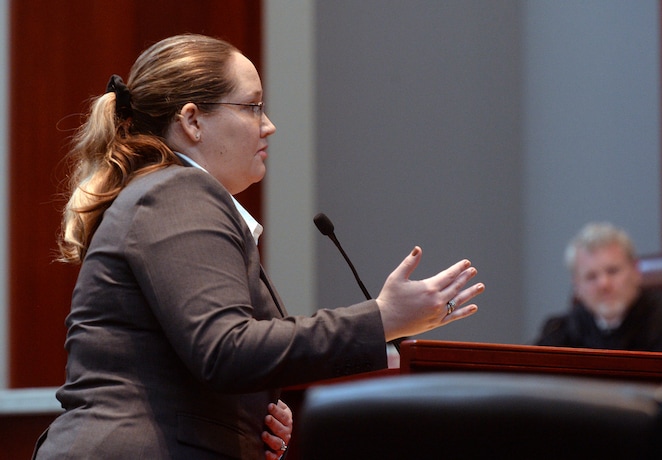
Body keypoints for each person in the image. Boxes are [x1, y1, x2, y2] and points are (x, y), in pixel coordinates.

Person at [32, 33, 485, 459]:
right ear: (192, 120)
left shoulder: (165, 193)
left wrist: (251, 413)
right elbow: (226, 349)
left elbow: (202, 357)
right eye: (252, 107)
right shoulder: (175, 192)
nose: (268, 126)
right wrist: (381, 319)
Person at [535, 222, 662, 353]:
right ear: (577, 286)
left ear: (636, 271)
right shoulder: (562, 330)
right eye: (591, 277)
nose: (604, 284)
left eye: (613, 271)